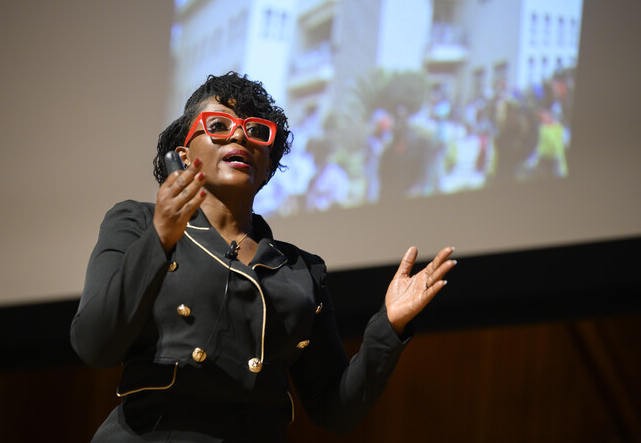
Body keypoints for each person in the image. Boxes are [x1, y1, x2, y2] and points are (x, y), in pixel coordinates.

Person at [70, 72, 456, 442]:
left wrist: (388, 327)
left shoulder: (303, 270)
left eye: (257, 131)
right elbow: (94, 344)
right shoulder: (137, 222)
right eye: (219, 125)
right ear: (184, 156)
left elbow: (335, 411)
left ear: (268, 163)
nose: (240, 135)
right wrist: (160, 238)